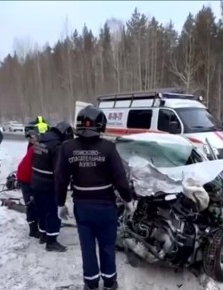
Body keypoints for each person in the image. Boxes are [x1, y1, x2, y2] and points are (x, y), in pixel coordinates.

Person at [55, 106, 135, 290]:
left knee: (88, 248)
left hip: (83, 207)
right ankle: (109, 282)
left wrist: (60, 203)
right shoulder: (108, 148)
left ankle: (91, 283)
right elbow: (120, 178)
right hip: (106, 206)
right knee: (107, 246)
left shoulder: (68, 147)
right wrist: (128, 199)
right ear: (101, 125)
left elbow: (60, 179)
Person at [31, 121, 73, 252]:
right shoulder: (57, 146)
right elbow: (59, 170)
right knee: (54, 212)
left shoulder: (41, 139)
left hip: (36, 180)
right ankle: (51, 241)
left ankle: (43, 234)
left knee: (42, 210)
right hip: (49, 183)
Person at [17, 130, 40, 239]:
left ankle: (36, 225)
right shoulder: (36, 149)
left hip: (26, 176)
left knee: (34, 203)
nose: (31, 140)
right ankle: (33, 229)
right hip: (27, 178)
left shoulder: (35, 147)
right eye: (30, 138)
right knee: (31, 204)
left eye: (33, 137)